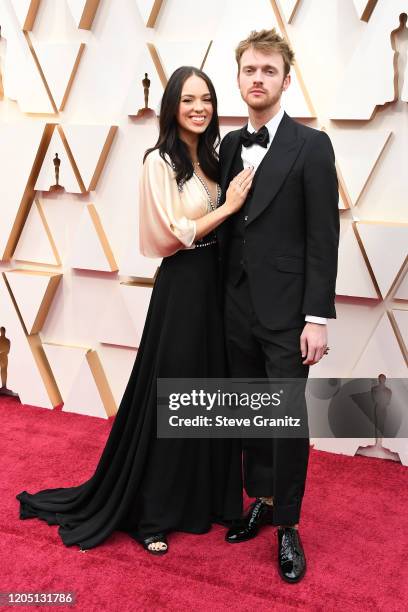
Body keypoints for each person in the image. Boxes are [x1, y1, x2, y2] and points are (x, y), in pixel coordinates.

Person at [16, 66, 254, 555]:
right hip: (184, 287)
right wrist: (228, 208)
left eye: (206, 99)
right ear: (171, 105)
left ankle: (206, 500)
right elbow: (172, 235)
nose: (199, 108)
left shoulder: (212, 156)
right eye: (188, 100)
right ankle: (153, 514)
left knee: (210, 394)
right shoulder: (159, 162)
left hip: (215, 287)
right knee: (175, 396)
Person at [216, 29, 339, 582]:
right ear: (239, 79)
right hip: (235, 304)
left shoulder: (312, 146)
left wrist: (317, 317)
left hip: (289, 311)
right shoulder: (226, 146)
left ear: (286, 80)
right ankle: (261, 498)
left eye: (269, 70)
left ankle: (288, 525)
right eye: (249, 70)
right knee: (249, 412)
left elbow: (323, 238)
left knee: (287, 419)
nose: (258, 79)